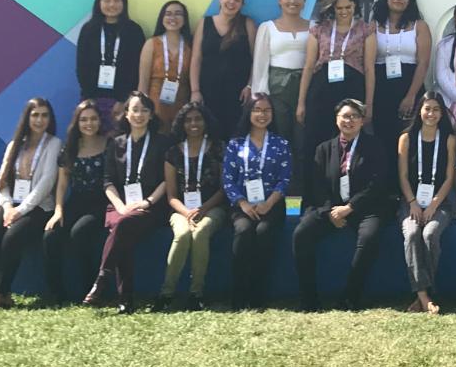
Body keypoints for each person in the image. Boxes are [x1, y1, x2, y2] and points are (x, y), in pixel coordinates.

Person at [293, 98, 396, 311]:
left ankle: (350, 297)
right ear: (336, 119)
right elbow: (317, 185)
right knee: (301, 233)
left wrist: (350, 208)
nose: (349, 121)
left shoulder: (374, 146)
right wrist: (329, 212)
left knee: (369, 237)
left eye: (355, 116)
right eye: (345, 116)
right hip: (331, 208)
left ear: (362, 121)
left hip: (365, 208)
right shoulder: (323, 149)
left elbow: (377, 183)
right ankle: (308, 299)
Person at [84, 91, 168, 314]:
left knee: (123, 227)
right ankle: (124, 299)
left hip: (150, 206)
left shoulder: (161, 143)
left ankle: (103, 280)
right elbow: (108, 181)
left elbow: (166, 180)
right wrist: (120, 206)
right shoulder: (116, 143)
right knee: (122, 228)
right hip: (119, 204)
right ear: (127, 114)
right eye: (135, 110)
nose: (139, 115)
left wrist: (147, 202)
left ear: (151, 115)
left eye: (144, 110)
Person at [0, 98, 60, 310]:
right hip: (9, 204)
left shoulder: (54, 144)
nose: (39, 120)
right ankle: (3, 293)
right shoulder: (14, 145)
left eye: (44, 115)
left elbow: (47, 182)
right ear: (27, 118)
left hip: (38, 207)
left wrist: (21, 210)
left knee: (12, 237)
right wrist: (8, 207)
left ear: (50, 119)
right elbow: (3, 181)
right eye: (35, 115)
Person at [296, 0, 368, 205]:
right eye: (339, 7)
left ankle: (347, 199)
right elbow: (309, 65)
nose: (344, 11)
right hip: (321, 91)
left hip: (352, 89)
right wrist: (301, 102)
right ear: (332, 8)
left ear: (355, 6)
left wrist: (370, 103)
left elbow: (369, 69)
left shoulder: (366, 29)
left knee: (349, 143)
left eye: (348, 7)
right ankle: (315, 199)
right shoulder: (319, 29)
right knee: (316, 142)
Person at [153, 102, 227, 311]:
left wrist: (202, 209)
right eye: (188, 120)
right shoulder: (172, 153)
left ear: (206, 122)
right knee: (183, 234)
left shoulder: (219, 148)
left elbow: (224, 189)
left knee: (201, 232)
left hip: (213, 208)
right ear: (182, 124)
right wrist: (187, 213)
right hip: (180, 210)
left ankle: (196, 293)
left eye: (198, 119)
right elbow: (171, 195)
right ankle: (166, 294)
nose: (193, 123)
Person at [223, 94, 291, 310]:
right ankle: (238, 296)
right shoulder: (235, 144)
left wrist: (268, 204)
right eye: (257, 110)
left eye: (267, 110)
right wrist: (243, 203)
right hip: (242, 206)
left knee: (263, 231)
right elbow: (227, 179)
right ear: (248, 113)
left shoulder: (281, 144)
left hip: (272, 205)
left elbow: (285, 179)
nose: (262, 114)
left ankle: (258, 296)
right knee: (243, 230)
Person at [397, 93, 456, 314]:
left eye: (436, 109)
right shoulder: (406, 138)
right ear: (420, 111)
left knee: (429, 234)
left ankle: (423, 295)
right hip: (410, 202)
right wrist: (413, 203)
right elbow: (403, 176)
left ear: (442, 113)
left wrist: (433, 204)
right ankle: (424, 296)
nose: (431, 114)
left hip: (441, 202)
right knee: (413, 234)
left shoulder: (449, 140)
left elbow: (450, 178)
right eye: (427, 109)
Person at [44, 100, 109, 303]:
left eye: (93, 119)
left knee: (79, 233)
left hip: (101, 203)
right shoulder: (69, 148)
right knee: (51, 235)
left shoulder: (110, 145)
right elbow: (62, 183)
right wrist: (58, 210)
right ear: (77, 123)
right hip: (76, 201)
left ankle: (92, 291)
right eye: (84, 120)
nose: (89, 123)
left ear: (100, 121)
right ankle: (56, 293)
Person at [366, 0, 431, 163]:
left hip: (410, 86)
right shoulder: (374, 26)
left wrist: (411, 96)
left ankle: (408, 181)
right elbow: (369, 65)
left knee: (410, 140)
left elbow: (423, 63)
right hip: (381, 88)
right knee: (383, 140)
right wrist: (369, 103)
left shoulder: (419, 26)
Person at [190, 0, 256, 141]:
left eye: (237, 0)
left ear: (242, 4)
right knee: (208, 135)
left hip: (238, 94)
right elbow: (196, 58)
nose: (232, 2)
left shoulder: (247, 24)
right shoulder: (204, 23)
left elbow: (256, 58)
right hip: (207, 91)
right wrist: (195, 91)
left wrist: (250, 85)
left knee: (234, 136)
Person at [75, 0, 145, 130]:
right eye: (107, 0)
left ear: (124, 3)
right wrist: (90, 100)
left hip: (122, 101)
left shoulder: (134, 31)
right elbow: (82, 67)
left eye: (117, 0)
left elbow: (136, 69)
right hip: (91, 98)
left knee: (118, 139)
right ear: (99, 3)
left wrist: (124, 100)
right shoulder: (89, 30)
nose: (112, 4)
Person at [250, 0, 310, 152]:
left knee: (303, 135)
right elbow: (260, 63)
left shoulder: (314, 27)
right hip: (277, 88)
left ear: (304, 1)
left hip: (306, 85)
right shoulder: (267, 27)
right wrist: (259, 96)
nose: (293, 1)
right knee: (280, 134)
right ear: (279, 0)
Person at [137, 0, 193, 129]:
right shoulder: (151, 44)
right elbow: (143, 81)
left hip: (182, 107)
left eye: (178, 14)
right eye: (168, 14)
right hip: (154, 106)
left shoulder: (191, 46)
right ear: (161, 18)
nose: (173, 17)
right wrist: (142, 108)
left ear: (185, 19)